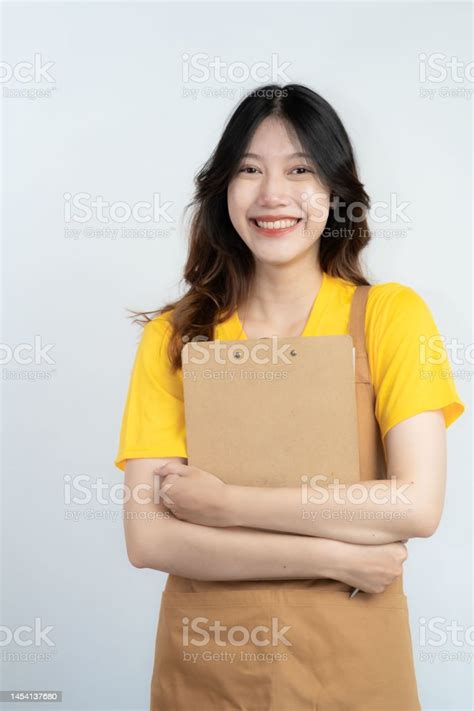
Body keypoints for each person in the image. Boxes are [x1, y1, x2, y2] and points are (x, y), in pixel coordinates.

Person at [114, 84, 465, 710]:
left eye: (300, 169)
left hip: (353, 665)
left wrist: (226, 506)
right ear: (223, 190)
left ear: (334, 191)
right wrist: (337, 556)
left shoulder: (391, 316)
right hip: (210, 668)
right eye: (250, 170)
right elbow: (150, 540)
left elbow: (414, 507)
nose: (273, 194)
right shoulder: (175, 337)